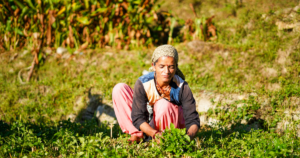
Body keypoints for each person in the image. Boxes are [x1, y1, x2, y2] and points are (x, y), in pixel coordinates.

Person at [112, 45, 200, 143]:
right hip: (149, 125)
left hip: (172, 126)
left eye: (171, 67)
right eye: (161, 67)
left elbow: (193, 120)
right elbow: (138, 117)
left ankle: (166, 139)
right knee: (119, 89)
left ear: (176, 67)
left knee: (163, 104)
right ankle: (137, 134)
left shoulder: (182, 86)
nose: (166, 72)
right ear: (154, 66)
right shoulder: (143, 83)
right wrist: (154, 134)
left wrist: (188, 138)